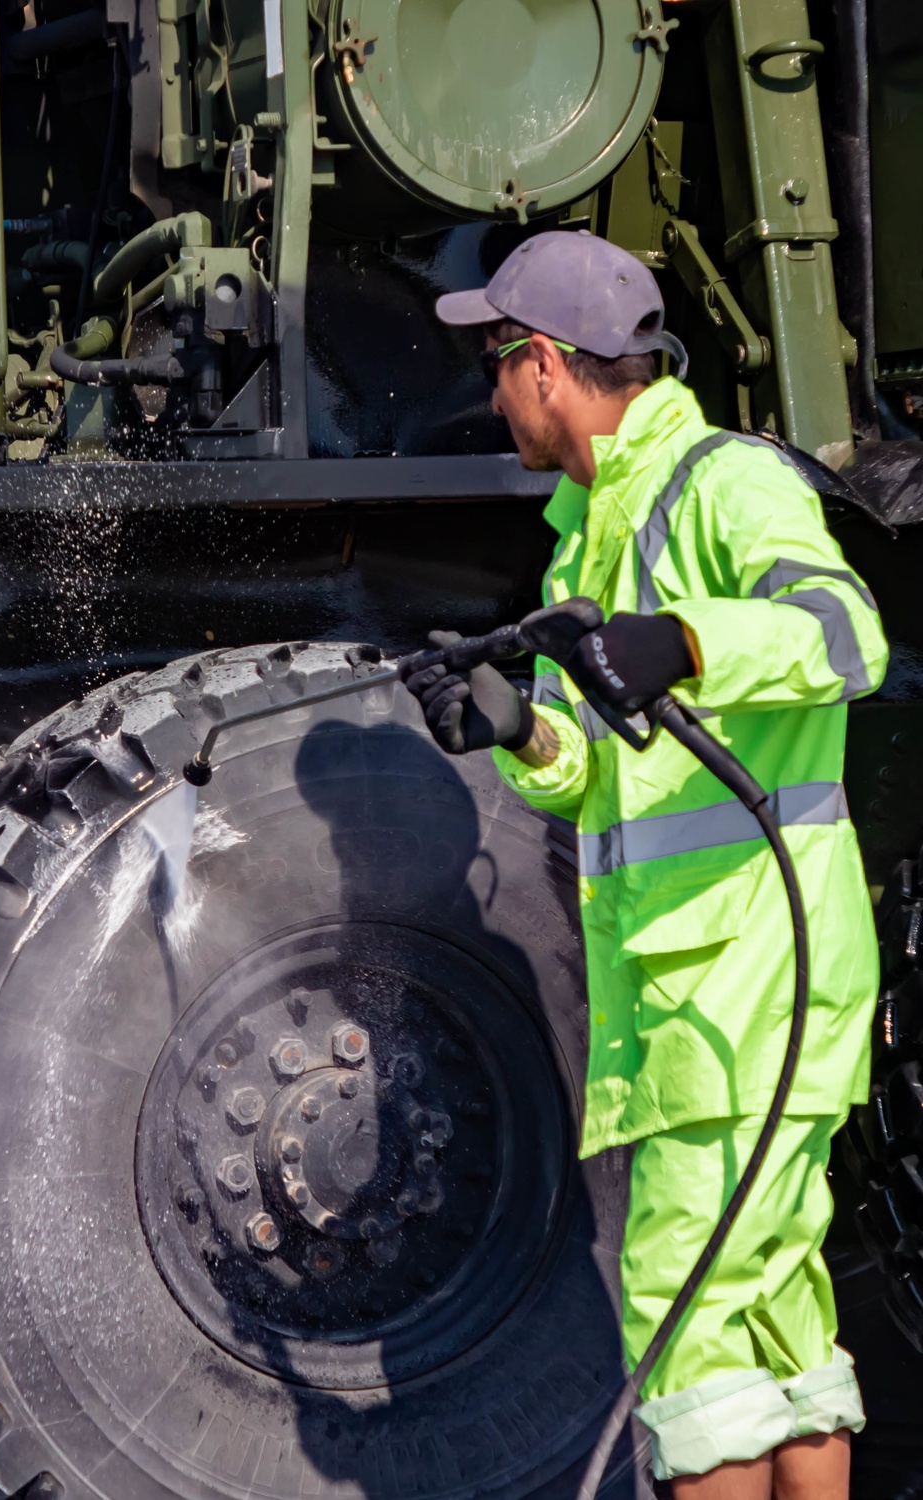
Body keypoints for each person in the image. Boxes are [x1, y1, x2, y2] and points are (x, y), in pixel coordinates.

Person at [404, 231, 889, 1499]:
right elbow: (610, 778)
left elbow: (846, 634)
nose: (491, 391)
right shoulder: (589, 540)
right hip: (723, 983)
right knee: (777, 1328)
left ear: (547, 365)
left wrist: (681, 638)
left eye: (497, 362)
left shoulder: (724, 483)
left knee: (685, 1338)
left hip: (736, 986)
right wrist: (519, 732)